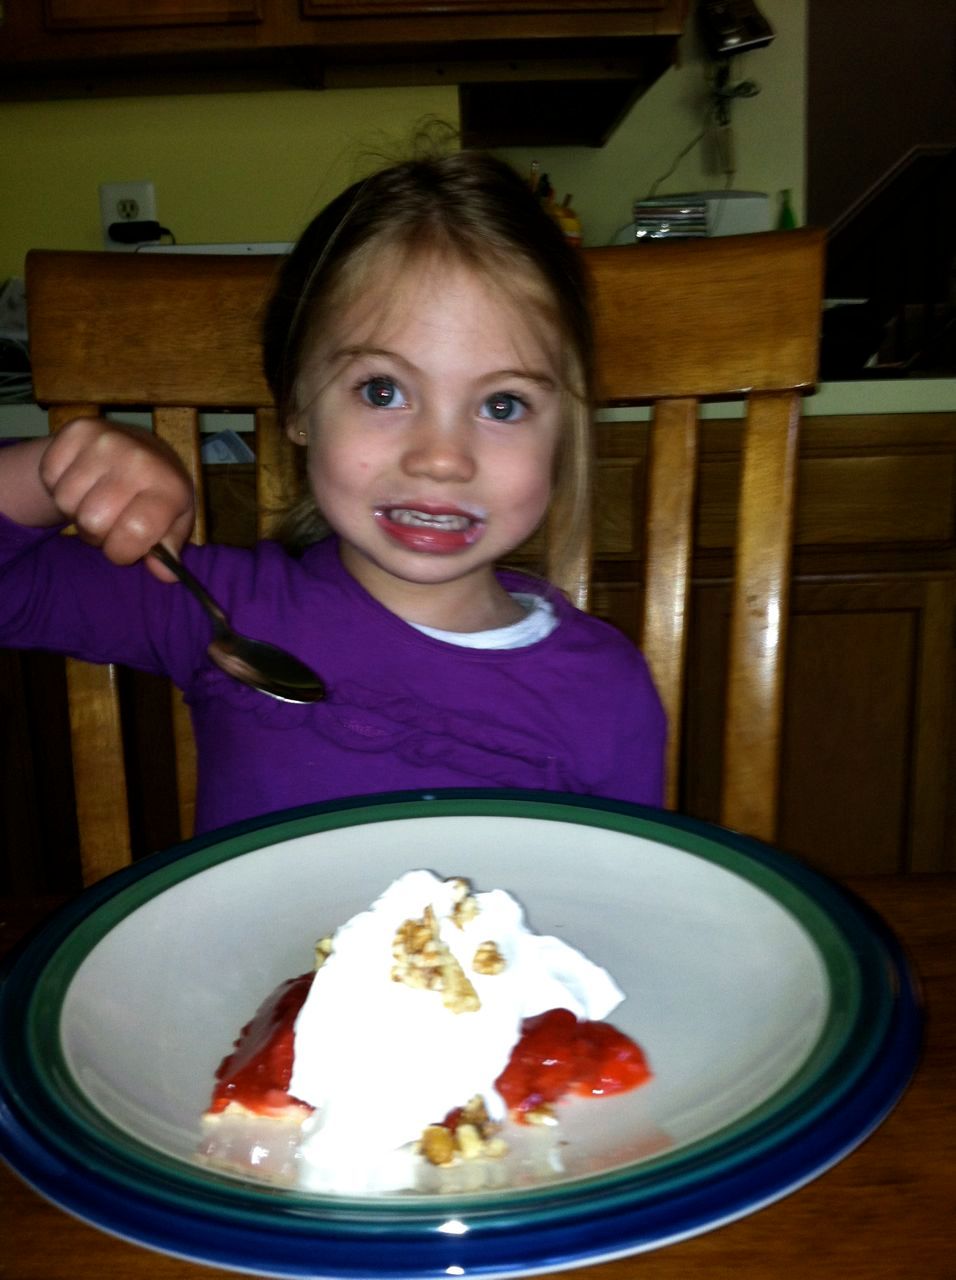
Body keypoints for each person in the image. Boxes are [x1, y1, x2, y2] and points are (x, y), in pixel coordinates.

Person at [0, 151, 665, 836]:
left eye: (502, 404)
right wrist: (50, 470)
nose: (441, 459)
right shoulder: (220, 610)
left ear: (563, 434)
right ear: (298, 407)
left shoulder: (605, 692)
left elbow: (627, 913)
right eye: (383, 391)